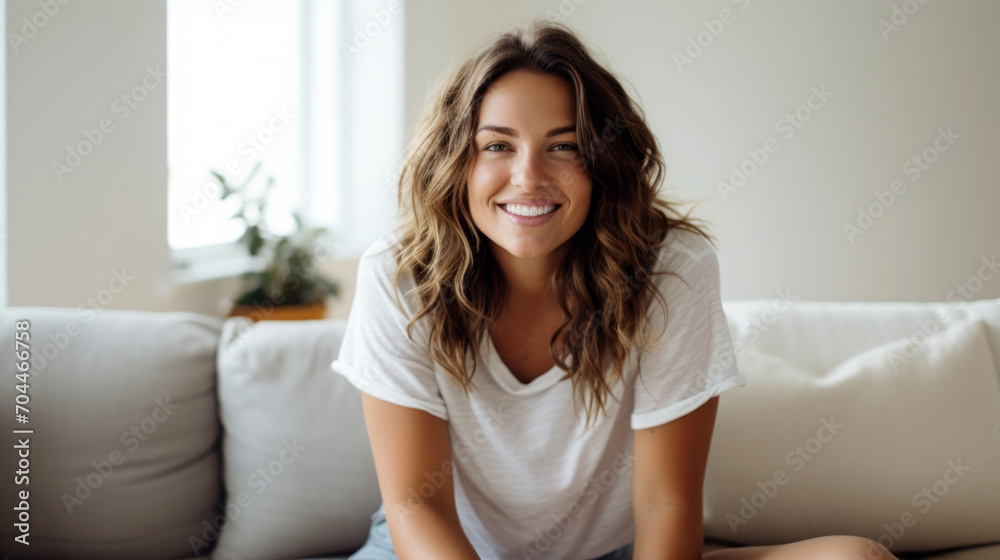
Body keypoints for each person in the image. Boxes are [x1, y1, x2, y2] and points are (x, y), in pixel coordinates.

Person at [331, 19, 898, 560]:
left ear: (602, 162)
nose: (528, 177)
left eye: (564, 146)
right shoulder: (401, 273)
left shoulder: (672, 269)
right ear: (455, 162)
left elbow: (665, 503)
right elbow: (415, 502)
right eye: (497, 146)